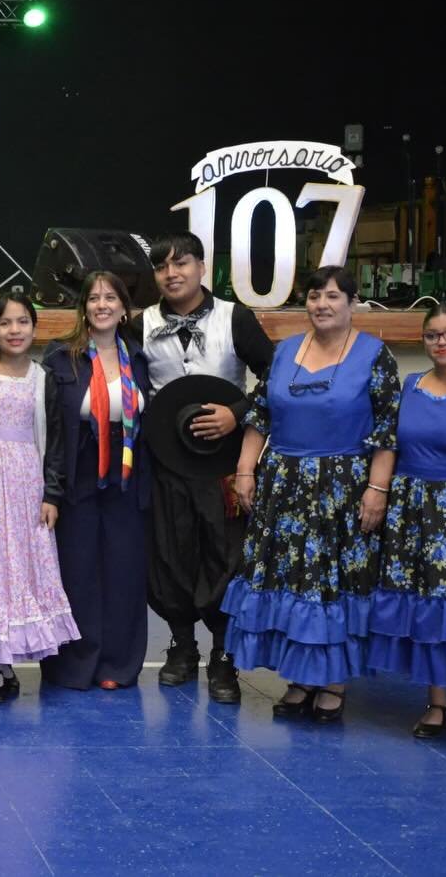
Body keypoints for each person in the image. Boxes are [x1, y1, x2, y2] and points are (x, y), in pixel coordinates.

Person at [224, 266, 400, 723]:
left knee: (332, 587)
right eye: (315, 296)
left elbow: (388, 429)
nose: (322, 304)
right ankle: (301, 678)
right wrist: (245, 470)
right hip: (284, 488)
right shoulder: (284, 352)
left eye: (333, 296)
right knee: (293, 585)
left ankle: (333, 682)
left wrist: (377, 489)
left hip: (344, 490)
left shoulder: (374, 355)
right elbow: (259, 414)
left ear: (353, 303)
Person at [133, 233, 273, 703]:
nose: (171, 274)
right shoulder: (141, 324)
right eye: (161, 267)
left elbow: (276, 376)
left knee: (224, 555)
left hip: (224, 465)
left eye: (182, 263)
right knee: (170, 552)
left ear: (201, 267)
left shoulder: (236, 317)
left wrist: (238, 412)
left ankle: (223, 654)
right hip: (167, 461)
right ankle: (182, 646)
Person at [0, 294, 77, 700]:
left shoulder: (44, 379)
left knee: (16, 569)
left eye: (23, 321)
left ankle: (0, 661)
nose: (14, 330)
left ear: (34, 328)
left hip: (25, 485)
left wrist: (51, 494)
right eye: (5, 323)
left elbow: (55, 441)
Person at [369, 304, 446, 747]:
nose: (442, 342)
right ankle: (436, 701)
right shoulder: (410, 386)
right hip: (414, 514)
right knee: (428, 608)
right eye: (432, 335)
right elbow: (389, 445)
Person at [40, 271, 153, 691]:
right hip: (79, 473)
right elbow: (50, 426)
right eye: (93, 298)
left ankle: (117, 665)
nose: (102, 305)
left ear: (124, 308)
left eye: (110, 298)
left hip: (127, 476)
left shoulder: (138, 359)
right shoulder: (60, 357)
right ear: (83, 308)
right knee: (78, 570)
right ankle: (75, 665)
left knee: (124, 570)